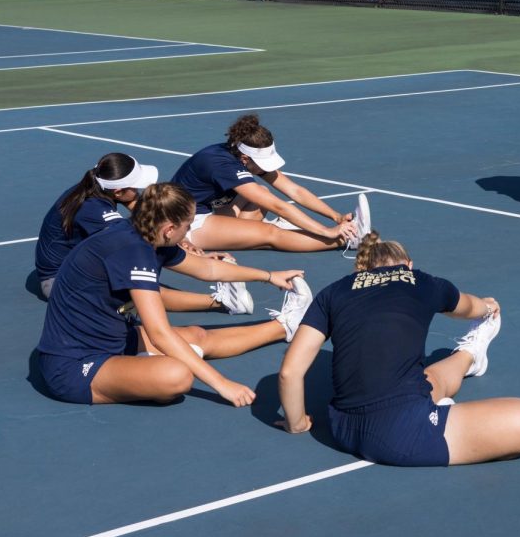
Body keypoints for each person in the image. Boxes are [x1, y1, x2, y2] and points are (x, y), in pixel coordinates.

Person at [276, 231, 520, 467]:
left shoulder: (333, 291)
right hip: (403, 432)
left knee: (430, 381)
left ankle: (470, 354)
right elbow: (469, 308)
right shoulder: (420, 281)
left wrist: (296, 423)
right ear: (408, 264)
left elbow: (290, 372)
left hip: (344, 430)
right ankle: (446, 404)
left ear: (362, 269)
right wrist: (489, 306)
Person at [35, 183, 313, 406]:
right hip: (74, 365)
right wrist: (222, 384)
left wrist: (268, 276)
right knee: (177, 376)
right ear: (169, 229)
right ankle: (142, 368)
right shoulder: (133, 253)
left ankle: (284, 326)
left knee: (197, 335)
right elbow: (160, 334)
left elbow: (207, 269)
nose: (190, 230)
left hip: (111, 337)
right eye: (188, 224)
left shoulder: (144, 233)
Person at [34, 153, 255, 314]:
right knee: (143, 286)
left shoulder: (95, 188)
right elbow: (138, 244)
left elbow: (143, 211)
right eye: (136, 187)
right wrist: (194, 257)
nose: (140, 191)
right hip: (60, 282)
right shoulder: (94, 210)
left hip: (77, 266)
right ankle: (220, 303)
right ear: (118, 191)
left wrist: (184, 242)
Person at [171, 114, 368, 252]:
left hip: (211, 209)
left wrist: (337, 217)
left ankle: (243, 235)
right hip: (186, 224)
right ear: (245, 159)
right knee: (271, 233)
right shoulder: (220, 164)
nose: (266, 168)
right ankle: (349, 240)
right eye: (263, 164)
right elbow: (277, 206)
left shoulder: (241, 156)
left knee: (260, 191)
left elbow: (295, 191)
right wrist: (327, 231)